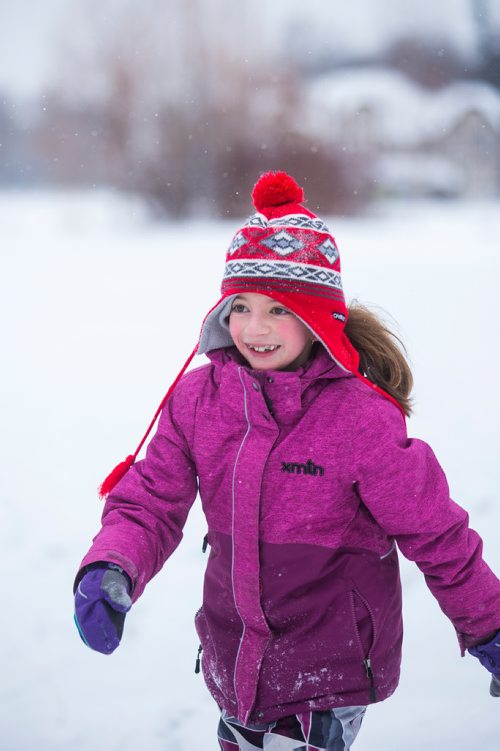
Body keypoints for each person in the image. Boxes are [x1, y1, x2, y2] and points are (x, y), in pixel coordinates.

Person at [74, 171, 500, 750]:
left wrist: (489, 625)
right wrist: (112, 566)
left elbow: (436, 532)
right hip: (234, 660)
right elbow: (152, 498)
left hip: (329, 670)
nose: (254, 328)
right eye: (241, 306)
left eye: (278, 309)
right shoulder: (200, 400)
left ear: (318, 316)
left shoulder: (358, 418)